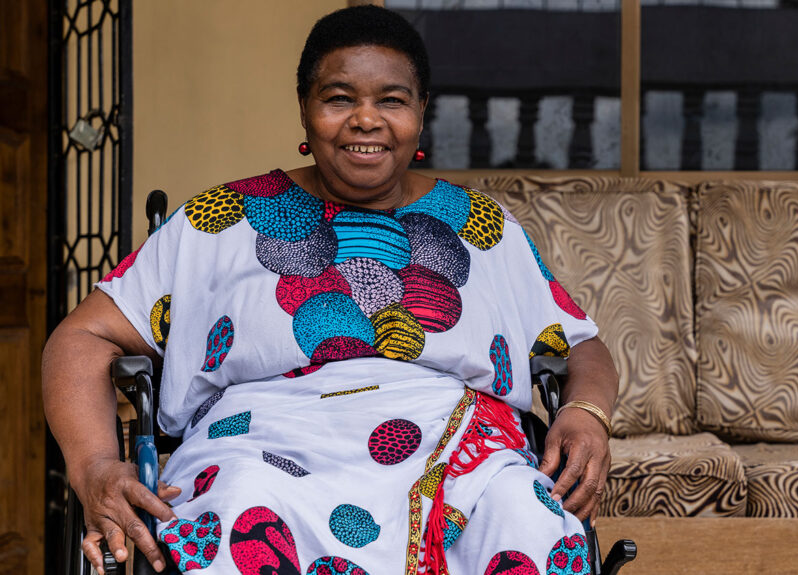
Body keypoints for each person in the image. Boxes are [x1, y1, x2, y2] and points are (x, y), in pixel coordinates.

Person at [42, 6, 617, 574]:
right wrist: (94, 464)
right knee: (242, 512)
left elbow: (581, 344)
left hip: (462, 454)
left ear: (421, 113)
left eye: (391, 100)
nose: (365, 120)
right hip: (260, 450)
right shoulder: (219, 220)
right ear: (305, 109)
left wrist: (587, 413)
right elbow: (83, 335)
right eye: (339, 97)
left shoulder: (482, 226)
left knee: (526, 516)